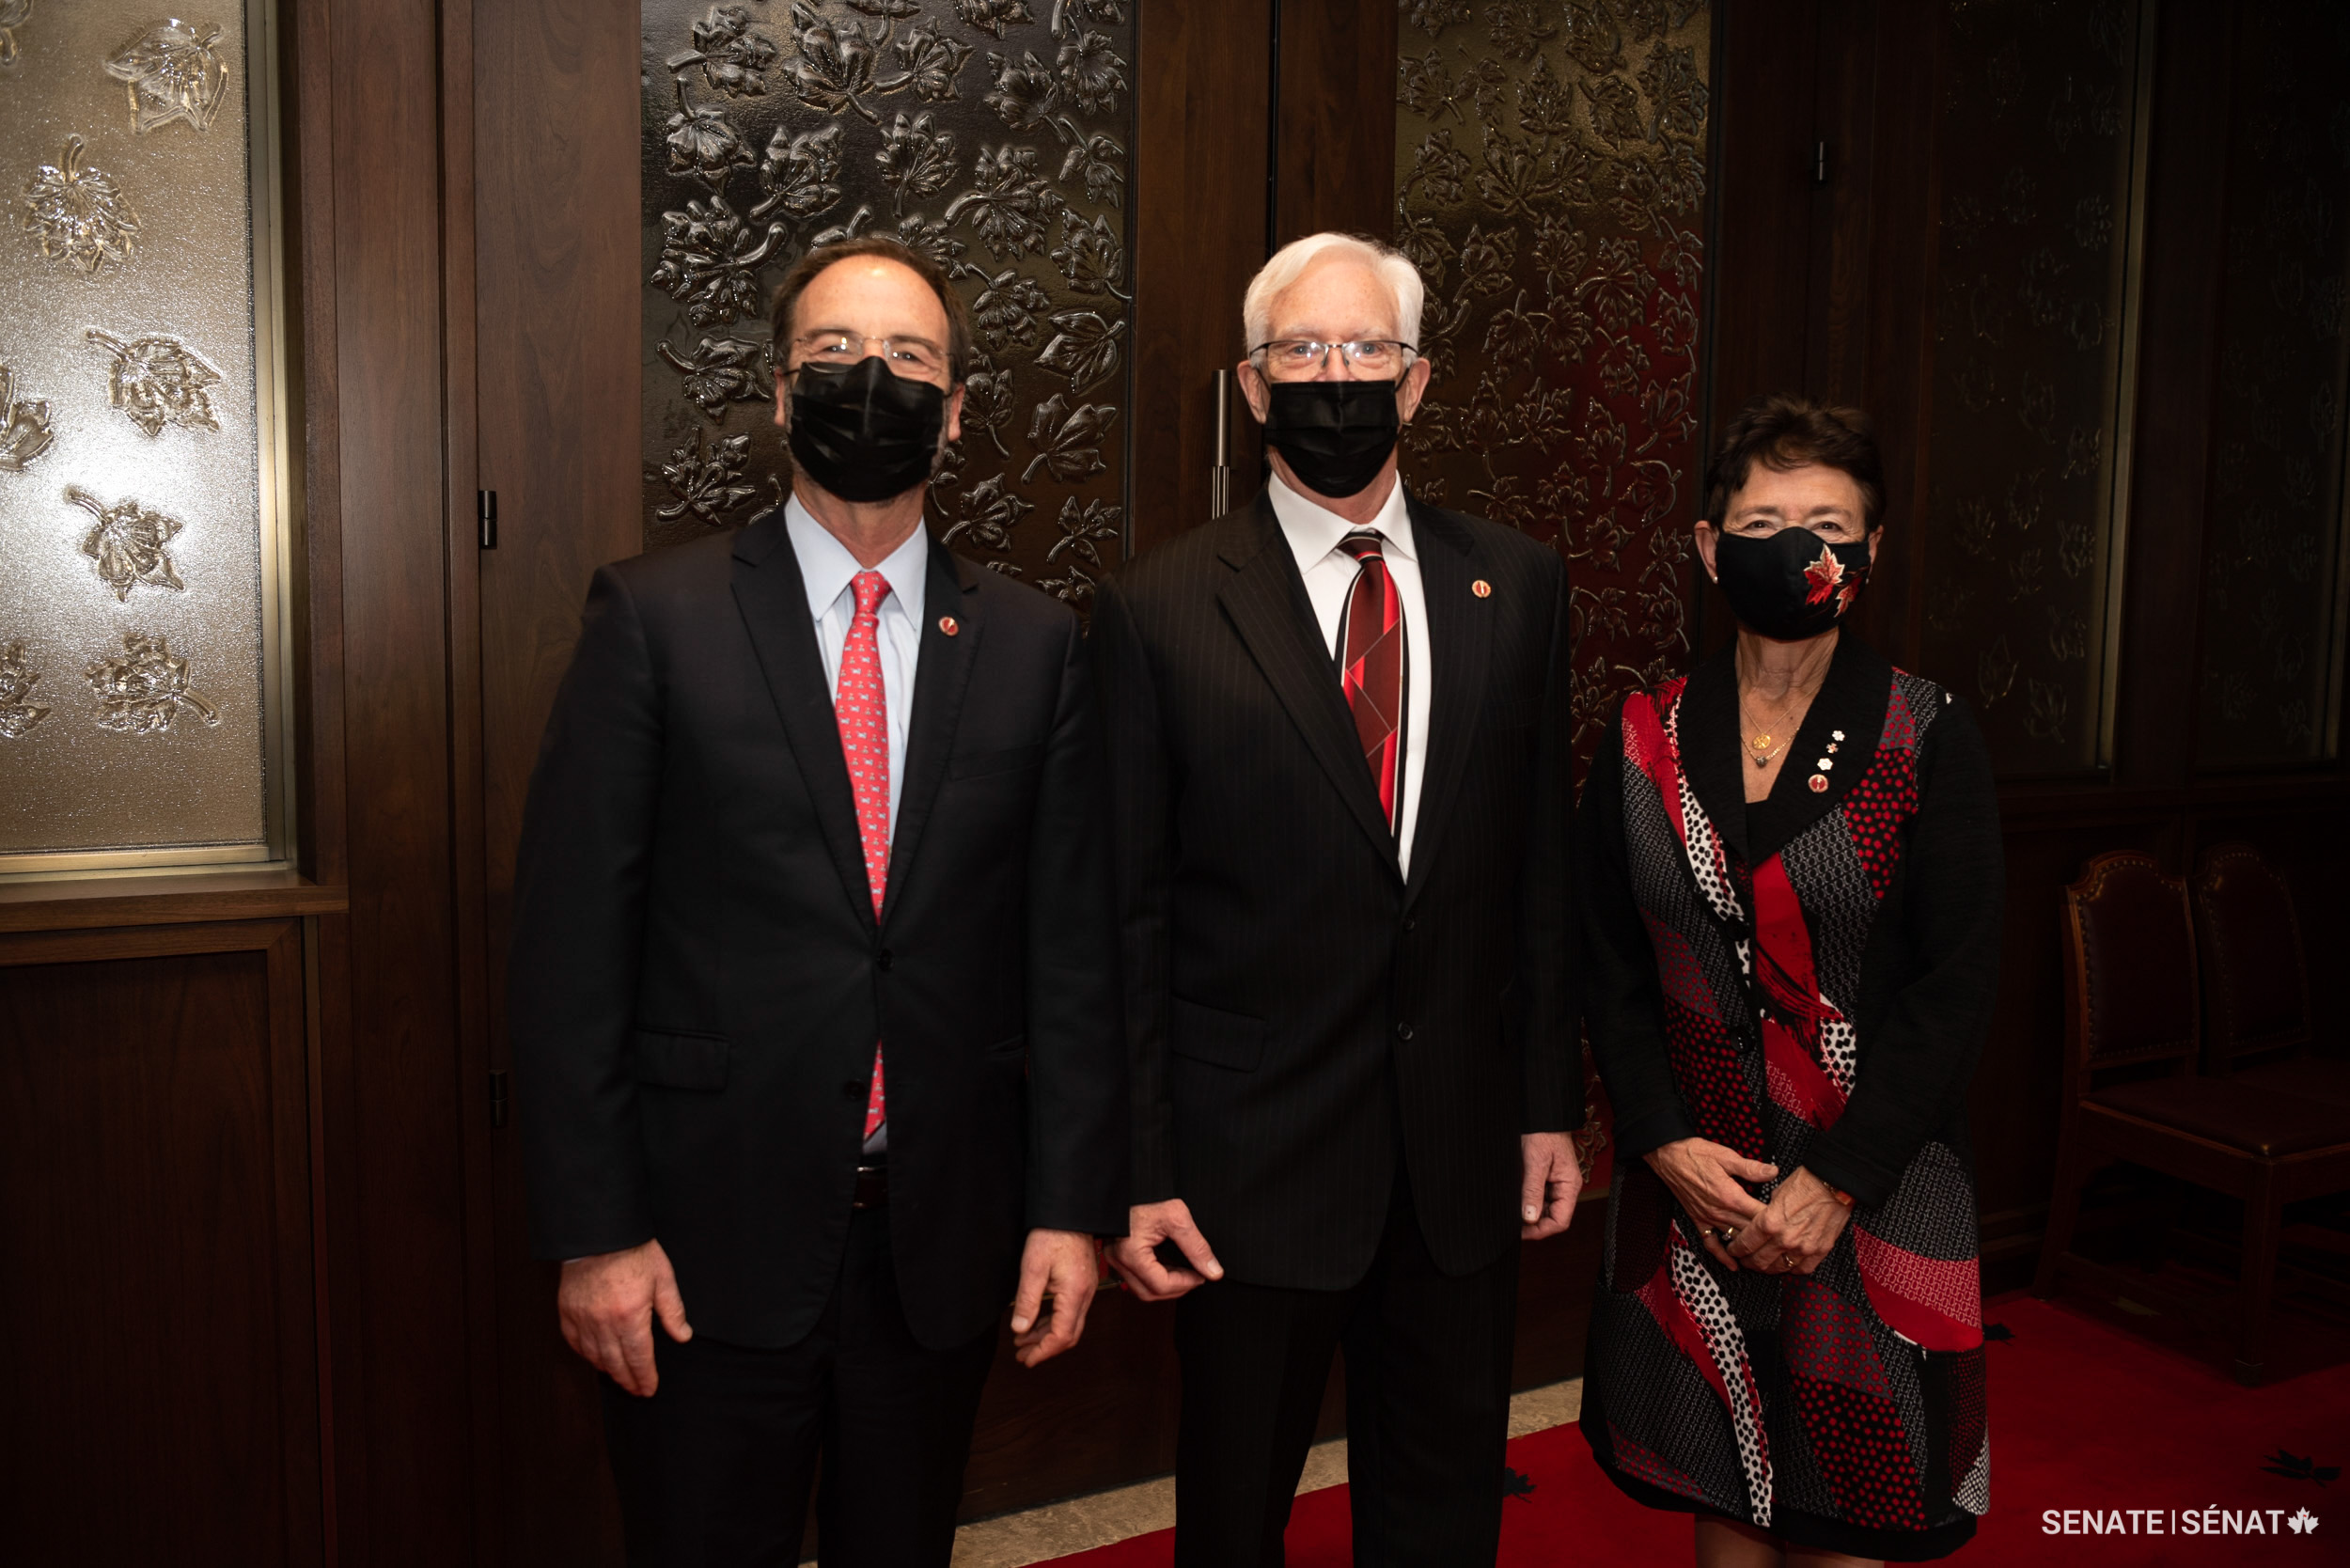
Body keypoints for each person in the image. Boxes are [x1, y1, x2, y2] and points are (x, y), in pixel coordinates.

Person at [508, 236, 1127, 1567]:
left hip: (938, 1249)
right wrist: (596, 1234)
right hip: (698, 1251)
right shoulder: (654, 618)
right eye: (836, 356)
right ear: (784, 395)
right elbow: (569, 957)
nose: (873, 382)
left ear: (956, 411)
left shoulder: (1032, 644)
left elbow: (1069, 957)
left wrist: (1067, 1208)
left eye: (910, 360)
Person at [1092, 231, 1584, 1566]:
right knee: (1236, 1516)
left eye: (1367, 349)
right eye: (1301, 351)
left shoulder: (1519, 585)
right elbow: (1124, 917)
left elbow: (1542, 870)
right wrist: (1138, 1169)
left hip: (1461, 1157)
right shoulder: (1157, 609)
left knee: (1440, 1515)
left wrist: (1549, 1104)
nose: (1336, 375)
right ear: (1252, 389)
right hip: (1245, 1169)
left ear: (1418, 382)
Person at [1576, 395, 2002, 1566]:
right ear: (1710, 548)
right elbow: (1605, 966)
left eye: (1827, 522)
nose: (1796, 547)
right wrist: (1662, 1144)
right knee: (1728, 1487)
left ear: (1868, 554)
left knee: (1847, 1512)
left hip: (1870, 1189)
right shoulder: (1640, 735)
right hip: (1697, 1187)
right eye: (1764, 520)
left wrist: (1834, 1184)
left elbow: (1954, 990)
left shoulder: (1927, 731)